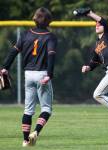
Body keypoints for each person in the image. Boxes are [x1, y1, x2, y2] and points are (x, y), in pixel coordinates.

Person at [1, 7, 57, 147]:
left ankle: (25, 141)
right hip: (42, 74)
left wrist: (4, 68)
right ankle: (35, 132)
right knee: (46, 109)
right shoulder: (50, 36)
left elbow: (13, 52)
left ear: (34, 18)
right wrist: (49, 75)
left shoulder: (26, 34)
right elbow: (51, 56)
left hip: (28, 74)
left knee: (28, 110)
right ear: (49, 21)